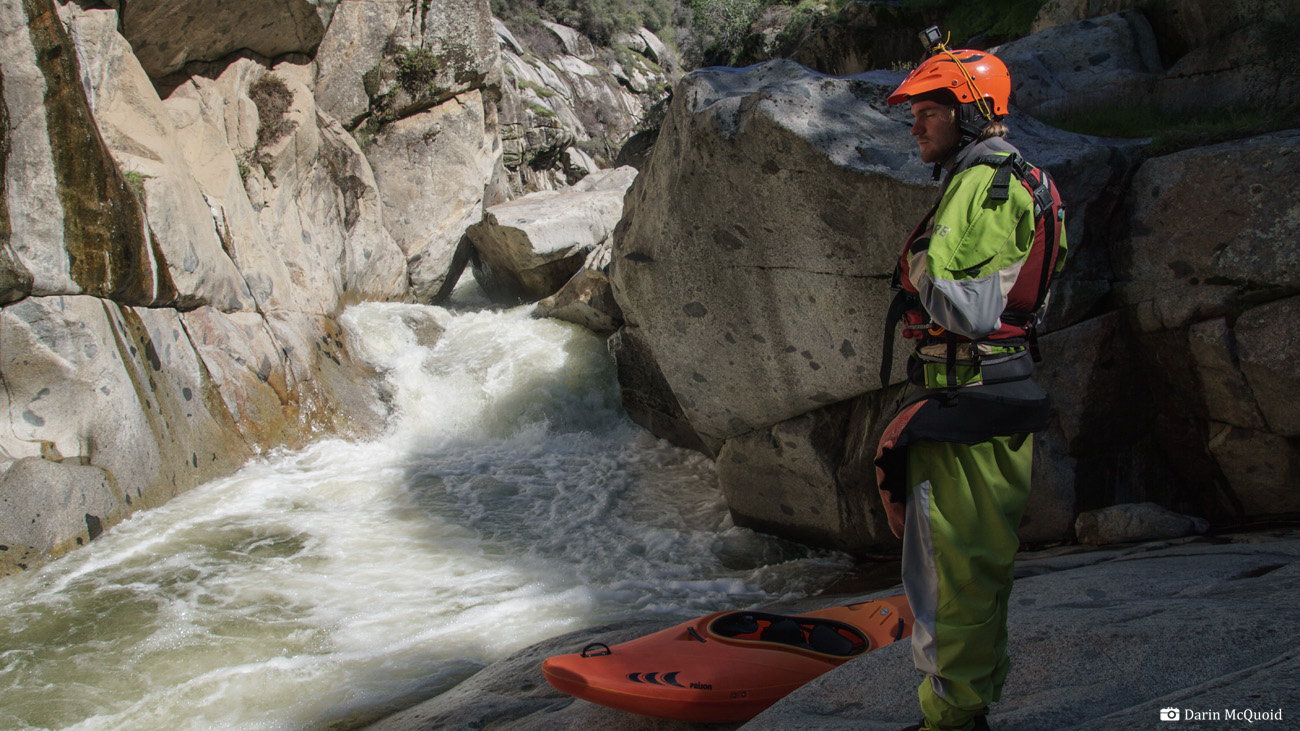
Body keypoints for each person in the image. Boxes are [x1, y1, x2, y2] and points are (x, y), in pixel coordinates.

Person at [872, 33, 1068, 731]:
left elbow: (969, 306)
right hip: (994, 398)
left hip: (968, 406)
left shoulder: (985, 182)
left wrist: (921, 263)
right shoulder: (1020, 178)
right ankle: (967, 710)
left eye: (931, 110)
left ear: (972, 113)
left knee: (948, 574)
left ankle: (949, 722)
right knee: (976, 568)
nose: (917, 124)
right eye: (916, 112)